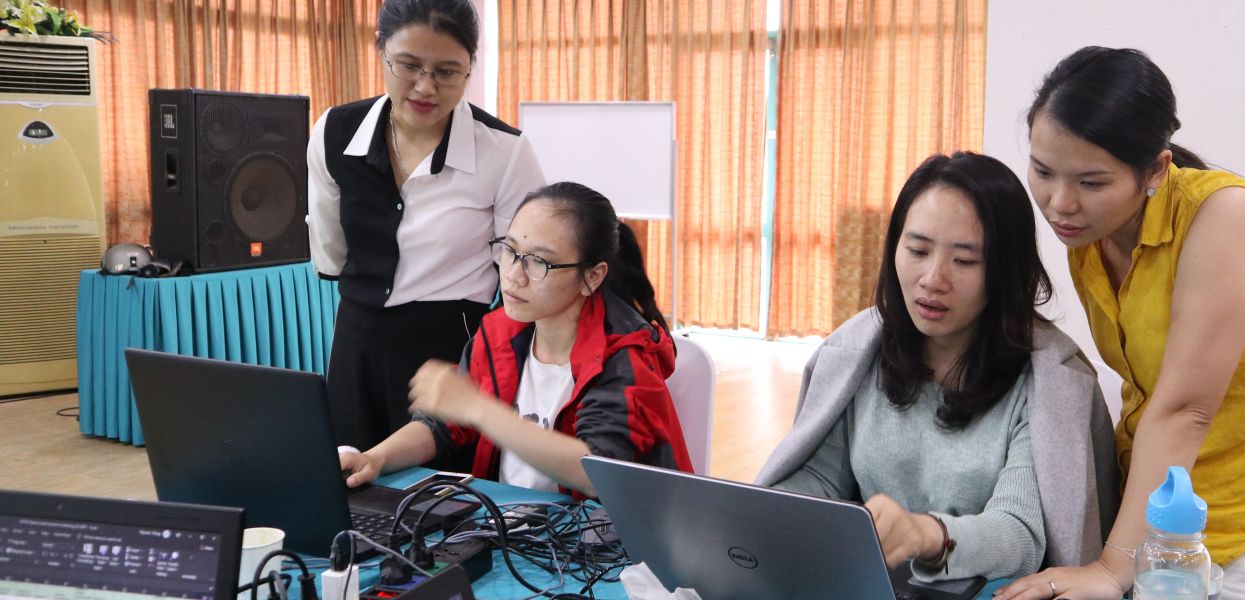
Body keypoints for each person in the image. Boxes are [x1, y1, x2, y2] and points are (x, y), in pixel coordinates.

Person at [997, 47, 1245, 600]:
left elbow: (1185, 409)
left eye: (1091, 181)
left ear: (1156, 168)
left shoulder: (1224, 215)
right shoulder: (1091, 238)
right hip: (1150, 522)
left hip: (1244, 532)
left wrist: (1110, 568)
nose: (1059, 203)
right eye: (1042, 171)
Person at [755, 152, 1121, 583]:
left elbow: (1020, 531)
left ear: (1005, 273)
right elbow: (820, 476)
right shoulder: (859, 350)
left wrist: (926, 534)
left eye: (964, 261)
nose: (932, 278)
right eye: (917, 250)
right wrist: (759, 517)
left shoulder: (1048, 379)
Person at [338, 182, 693, 498]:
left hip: (606, 547)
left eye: (538, 262)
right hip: (519, 531)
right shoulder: (498, 333)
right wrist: (374, 458)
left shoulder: (625, 357)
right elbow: (444, 426)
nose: (513, 275)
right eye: (509, 251)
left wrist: (479, 409)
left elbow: (598, 472)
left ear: (592, 277)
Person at [307, 0, 546, 449]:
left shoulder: (504, 151)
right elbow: (331, 251)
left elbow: (522, 276)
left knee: (442, 497)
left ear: (471, 66)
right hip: (355, 344)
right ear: (380, 50)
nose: (425, 87)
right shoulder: (334, 132)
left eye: (447, 71)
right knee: (349, 481)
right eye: (409, 65)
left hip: (450, 353)